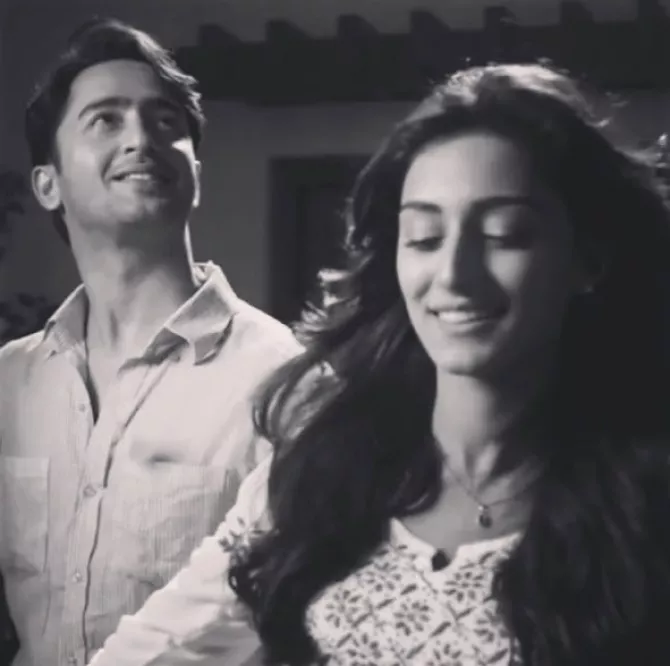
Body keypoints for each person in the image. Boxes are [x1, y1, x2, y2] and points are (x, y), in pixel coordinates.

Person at [89, 63, 670, 666]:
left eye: (503, 234)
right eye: (424, 238)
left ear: (588, 260)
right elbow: (149, 652)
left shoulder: (644, 510)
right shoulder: (321, 471)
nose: (453, 276)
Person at [0, 18, 300, 666]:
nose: (141, 138)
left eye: (165, 122)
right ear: (48, 184)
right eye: (105, 120)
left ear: (196, 172)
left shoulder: (283, 382)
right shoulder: (9, 383)